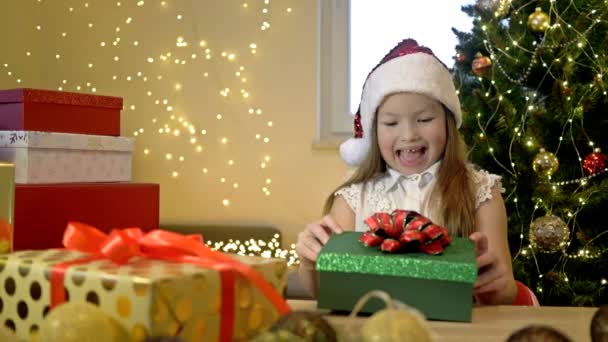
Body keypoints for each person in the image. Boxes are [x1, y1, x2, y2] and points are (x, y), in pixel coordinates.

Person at [296, 38, 517, 305]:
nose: (409, 135)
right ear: (374, 131)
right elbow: (323, 291)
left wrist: (494, 285)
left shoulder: (480, 193)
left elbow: (505, 292)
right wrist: (310, 263)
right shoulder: (353, 200)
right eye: (391, 122)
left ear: (448, 123)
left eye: (424, 120)